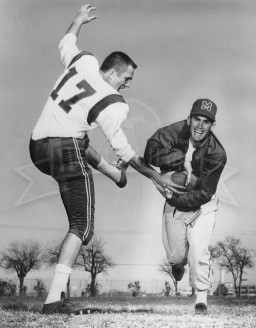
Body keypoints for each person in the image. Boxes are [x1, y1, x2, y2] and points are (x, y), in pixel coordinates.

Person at [29, 4, 180, 314]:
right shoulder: (112, 101)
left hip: (37, 147)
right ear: (112, 72)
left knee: (82, 136)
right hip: (64, 147)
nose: (127, 84)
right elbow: (122, 147)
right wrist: (156, 176)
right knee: (82, 225)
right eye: (126, 78)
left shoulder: (83, 62)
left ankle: (114, 175)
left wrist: (78, 21)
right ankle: (54, 299)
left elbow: (66, 43)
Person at [144, 98, 227, 315]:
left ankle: (201, 298)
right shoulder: (174, 132)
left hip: (202, 203)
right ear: (189, 118)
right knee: (176, 257)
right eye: (197, 119)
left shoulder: (217, 153)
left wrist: (174, 196)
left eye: (206, 122)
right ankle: (179, 262)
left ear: (212, 125)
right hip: (175, 197)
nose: (200, 126)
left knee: (199, 248)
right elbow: (150, 151)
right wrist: (178, 160)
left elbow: (205, 192)